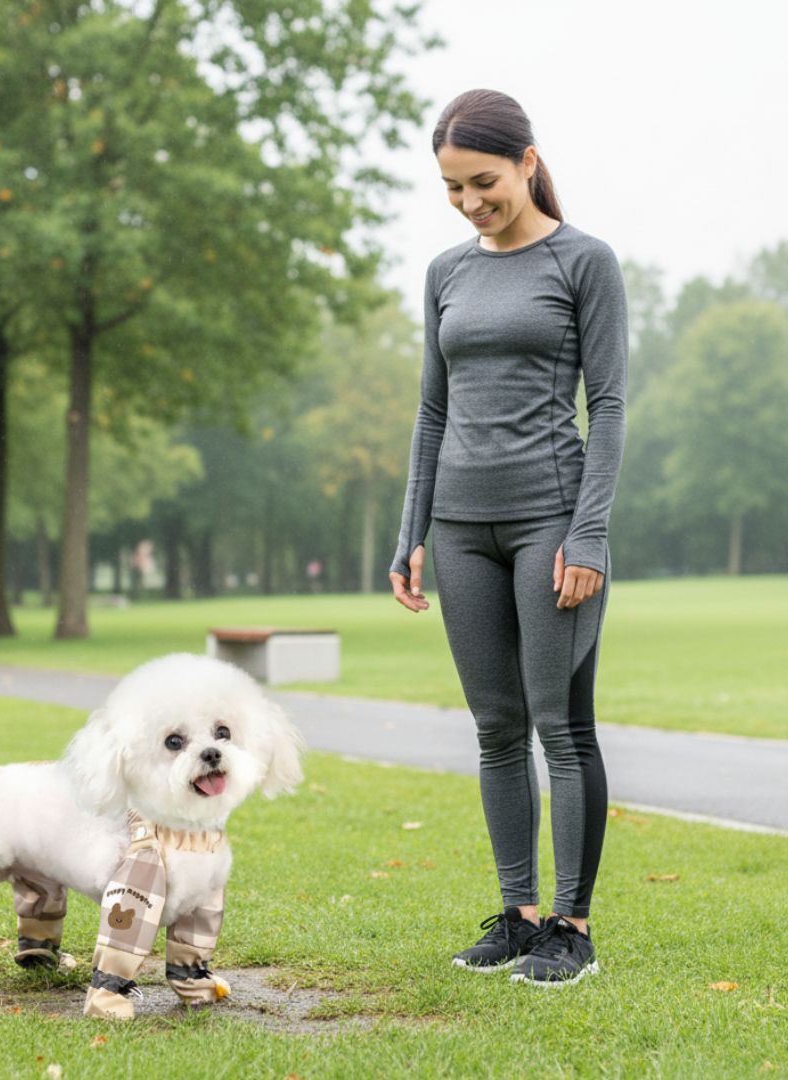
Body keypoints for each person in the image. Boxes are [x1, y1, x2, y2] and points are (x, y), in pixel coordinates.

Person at [389, 89, 627, 987]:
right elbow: (430, 410)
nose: (469, 202)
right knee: (496, 730)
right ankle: (519, 915)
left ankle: (573, 926)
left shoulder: (583, 262)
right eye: (452, 188)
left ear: (527, 161)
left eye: (482, 182)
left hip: (549, 520)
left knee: (560, 726)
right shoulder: (446, 273)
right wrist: (411, 532)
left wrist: (589, 534)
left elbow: (606, 406)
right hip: (459, 527)